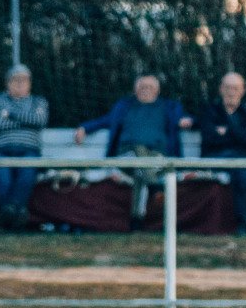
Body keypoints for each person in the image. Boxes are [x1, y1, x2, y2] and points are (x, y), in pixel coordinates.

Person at [75, 72, 192, 228]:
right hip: (126, 157)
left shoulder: (169, 107)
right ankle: (155, 188)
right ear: (135, 89)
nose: (146, 90)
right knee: (138, 149)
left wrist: (188, 121)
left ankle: (136, 219)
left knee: (140, 170)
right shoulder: (124, 107)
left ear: (157, 91)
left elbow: (189, 119)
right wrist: (84, 128)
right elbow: (104, 120)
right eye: (142, 86)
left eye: (150, 87)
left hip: (158, 158)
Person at [196, 71, 246, 232]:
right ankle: (244, 217)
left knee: (237, 165)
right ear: (220, 89)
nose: (231, 92)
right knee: (236, 160)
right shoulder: (209, 111)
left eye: (235, 88)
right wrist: (241, 134)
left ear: (242, 90)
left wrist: (227, 131)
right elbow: (210, 139)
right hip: (213, 159)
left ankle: (242, 217)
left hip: (241, 163)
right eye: (227, 88)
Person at [0, 64, 48, 225]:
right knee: (3, 179)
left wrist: (11, 115)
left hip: (29, 151)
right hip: (0, 150)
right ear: (8, 82)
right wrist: (25, 121)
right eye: (15, 79)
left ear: (30, 83)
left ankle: (9, 214)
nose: (20, 83)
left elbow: (39, 120)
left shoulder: (38, 102)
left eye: (24, 79)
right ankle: (17, 214)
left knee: (26, 175)